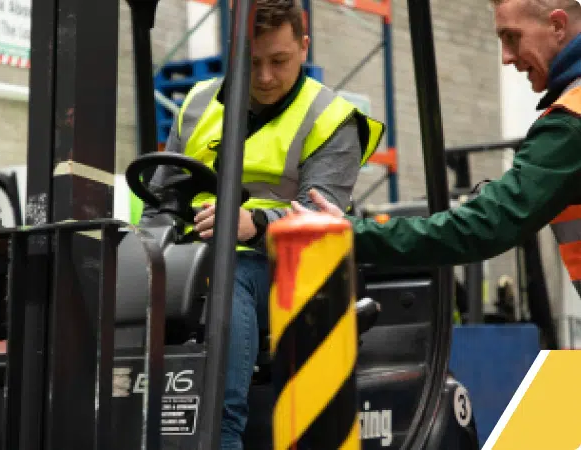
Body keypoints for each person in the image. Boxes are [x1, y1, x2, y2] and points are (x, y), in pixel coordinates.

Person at [141, 0, 385, 447]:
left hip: (283, 264)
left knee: (225, 279)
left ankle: (221, 431)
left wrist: (254, 221)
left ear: (304, 47)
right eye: (254, 63)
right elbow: (160, 198)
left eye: (280, 61)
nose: (267, 77)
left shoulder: (330, 119)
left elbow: (319, 217)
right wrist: (144, 251)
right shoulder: (196, 105)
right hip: (196, 251)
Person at [291, 0, 581, 300]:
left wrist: (352, 234)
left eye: (512, 37)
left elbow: (483, 227)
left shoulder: (571, 122)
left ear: (557, 26)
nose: (506, 57)